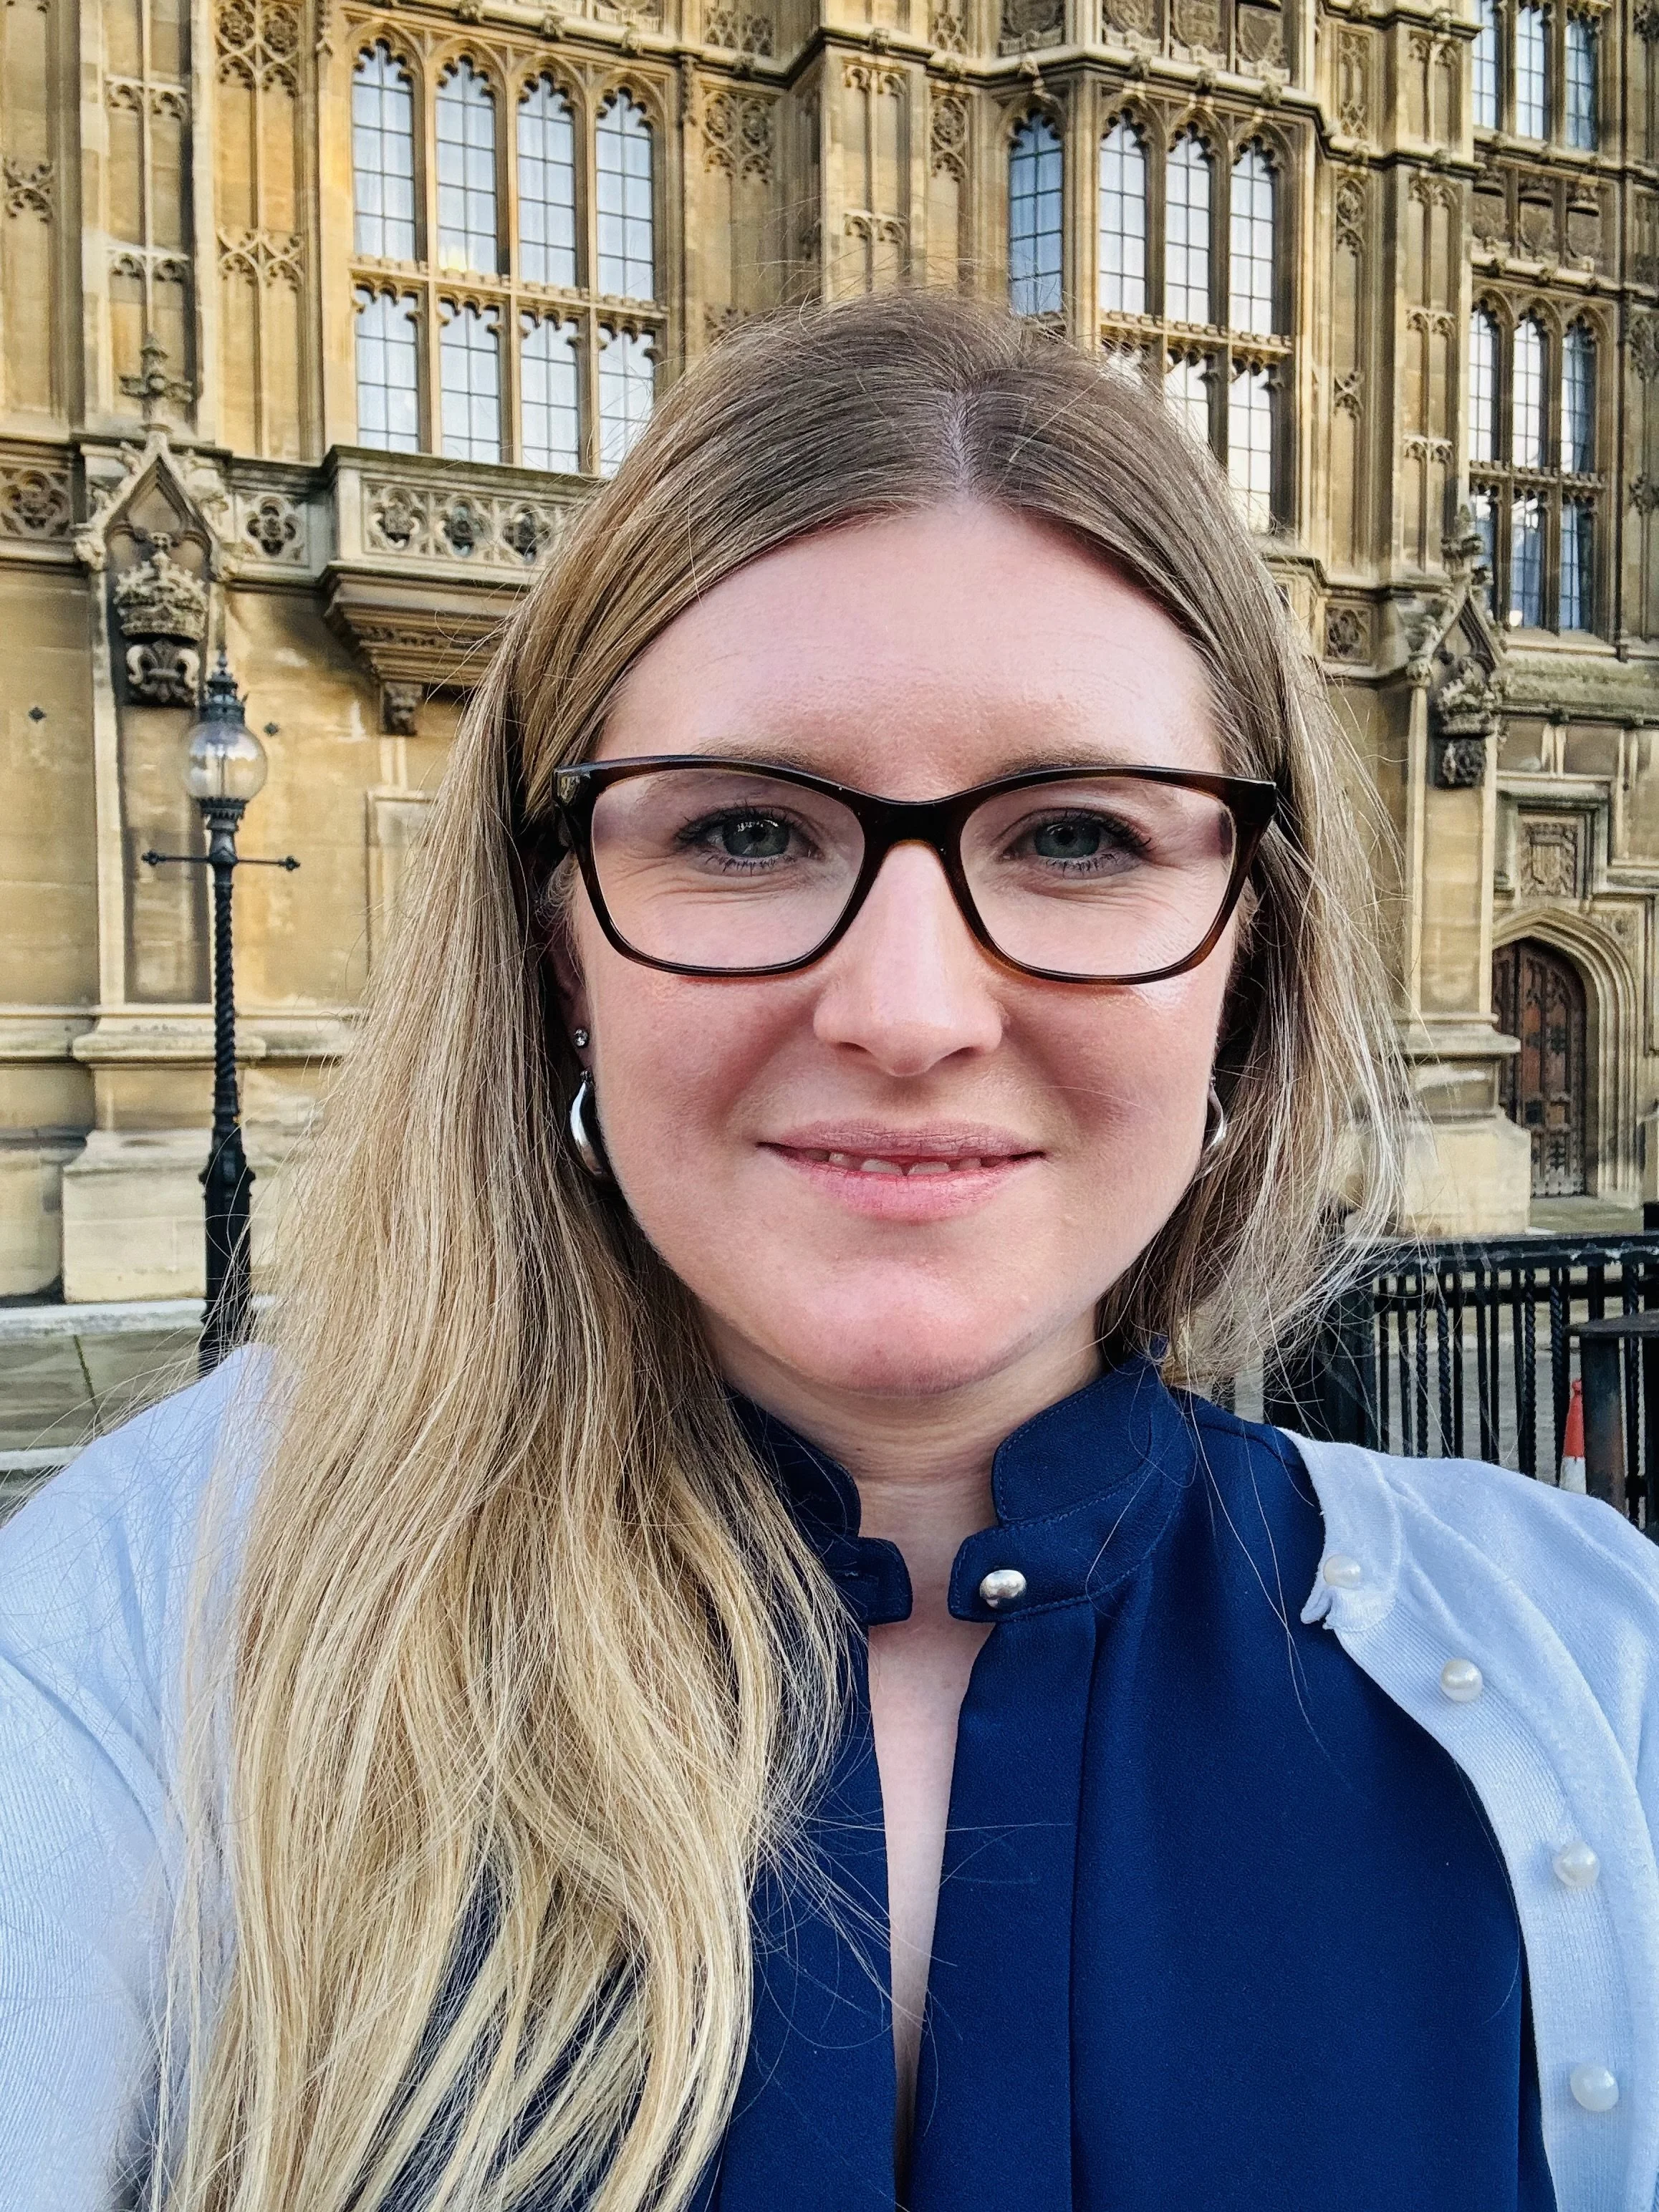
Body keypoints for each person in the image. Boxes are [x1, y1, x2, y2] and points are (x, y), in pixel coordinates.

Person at [2, 292, 1656, 2212]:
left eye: (1076, 840)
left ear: (1252, 957)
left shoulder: (1580, 1676)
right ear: (555, 949)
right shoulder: (143, 1642)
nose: (903, 1005)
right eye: (738, 833)